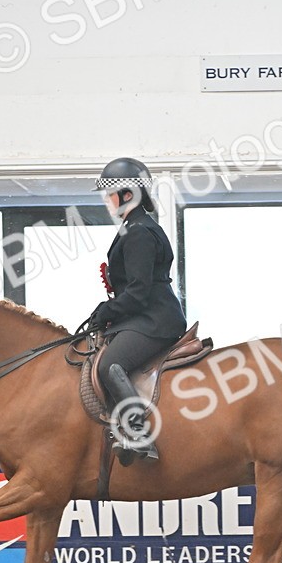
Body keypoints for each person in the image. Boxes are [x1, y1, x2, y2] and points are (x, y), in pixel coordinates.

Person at [86, 157, 187, 463]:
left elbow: (139, 291)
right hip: (144, 317)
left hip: (155, 319)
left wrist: (107, 310)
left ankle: (139, 433)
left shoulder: (140, 231)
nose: (106, 200)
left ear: (128, 194)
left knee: (109, 366)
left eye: (109, 194)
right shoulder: (135, 226)